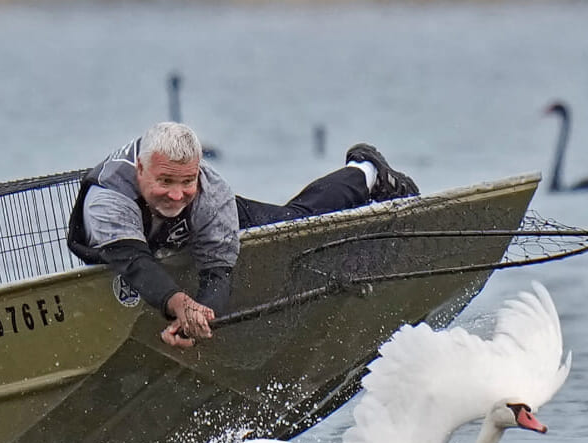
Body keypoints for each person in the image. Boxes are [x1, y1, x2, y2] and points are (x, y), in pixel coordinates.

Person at [68, 122, 419, 349]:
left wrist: (202, 314)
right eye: (165, 182)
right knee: (144, 258)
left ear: (198, 174)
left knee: (296, 222)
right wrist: (180, 306)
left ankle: (367, 172)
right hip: (141, 243)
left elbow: (217, 273)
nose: (176, 195)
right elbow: (135, 264)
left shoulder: (212, 193)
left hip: (200, 228)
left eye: (186, 182)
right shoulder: (107, 200)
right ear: (142, 171)